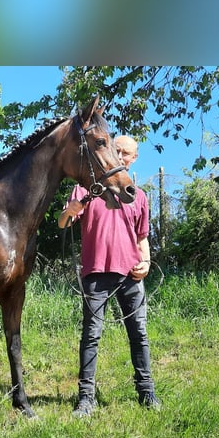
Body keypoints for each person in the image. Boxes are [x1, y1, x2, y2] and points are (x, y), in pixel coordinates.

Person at [58, 135, 161, 417]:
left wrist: (147, 262)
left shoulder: (138, 197)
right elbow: (63, 222)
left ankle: (147, 392)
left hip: (130, 275)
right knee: (91, 335)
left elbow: (142, 238)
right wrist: (71, 210)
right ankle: (86, 398)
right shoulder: (85, 189)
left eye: (126, 153)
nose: (121, 156)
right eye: (116, 150)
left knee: (139, 334)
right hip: (96, 274)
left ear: (134, 158)